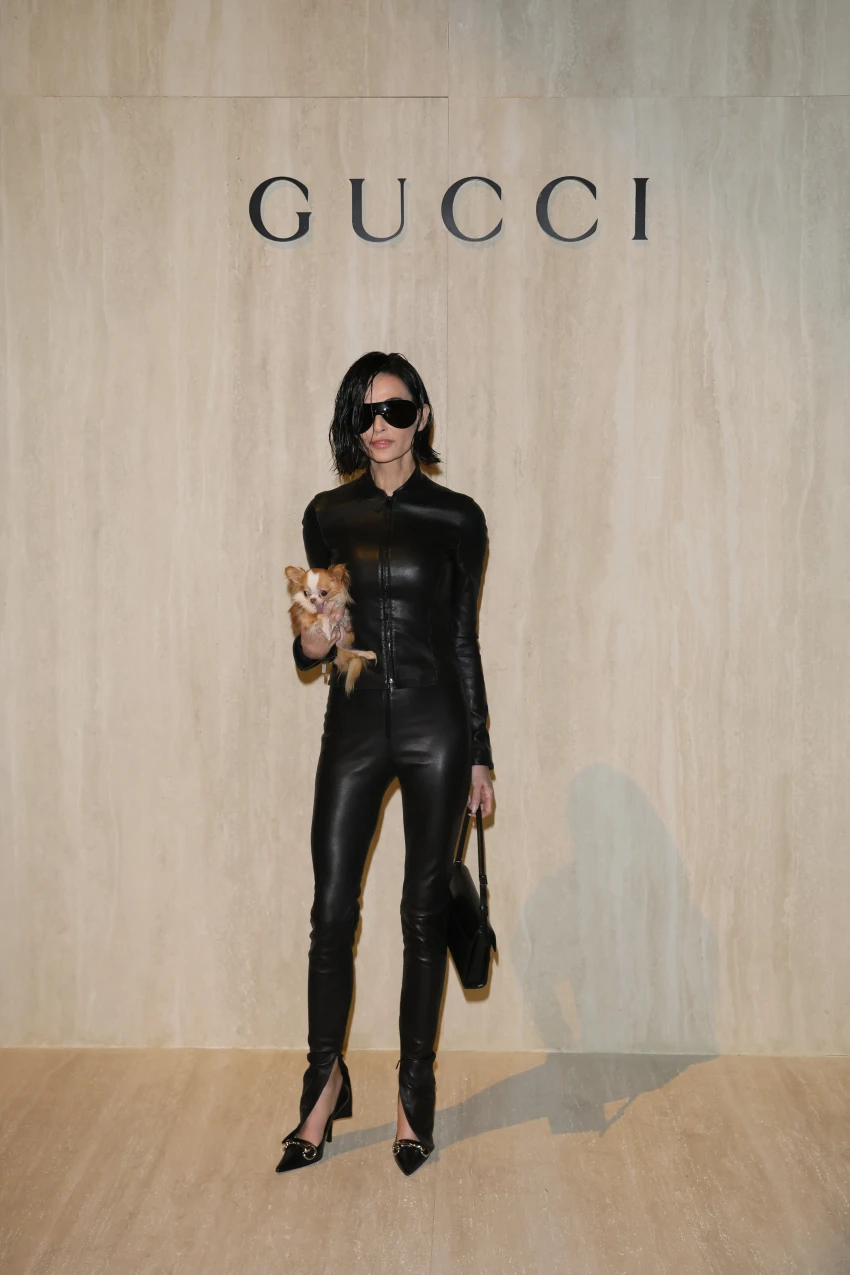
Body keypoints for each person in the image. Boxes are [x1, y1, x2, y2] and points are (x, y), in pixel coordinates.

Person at [276, 351, 495, 1177]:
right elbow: (315, 639)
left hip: (438, 726)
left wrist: (480, 752)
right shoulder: (327, 513)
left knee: (421, 914)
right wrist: (311, 640)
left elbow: (465, 640)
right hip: (356, 721)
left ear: (421, 417)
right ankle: (323, 1084)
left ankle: (414, 1093)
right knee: (332, 909)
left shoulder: (458, 517)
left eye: (396, 411)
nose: (380, 427)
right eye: (365, 413)